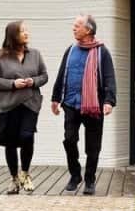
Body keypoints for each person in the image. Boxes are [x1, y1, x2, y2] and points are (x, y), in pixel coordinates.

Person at [50, 14, 116, 195]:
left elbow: (109, 77)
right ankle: (75, 175)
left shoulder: (102, 52)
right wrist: (55, 98)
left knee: (93, 147)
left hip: (94, 106)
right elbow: (62, 74)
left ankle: (90, 179)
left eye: (77, 25)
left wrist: (109, 101)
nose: (73, 28)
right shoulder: (70, 50)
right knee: (69, 139)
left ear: (88, 30)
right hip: (71, 103)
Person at [0, 20, 49, 194]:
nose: (26, 33)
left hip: (30, 103)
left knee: (27, 136)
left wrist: (33, 81)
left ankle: (25, 173)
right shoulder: (1, 56)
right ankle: (14, 179)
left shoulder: (35, 54)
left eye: (26, 30)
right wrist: (13, 84)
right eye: (23, 31)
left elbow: (44, 76)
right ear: (13, 35)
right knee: (10, 143)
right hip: (8, 105)